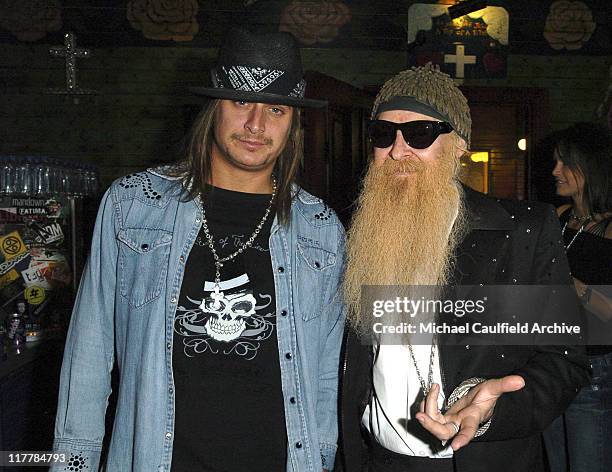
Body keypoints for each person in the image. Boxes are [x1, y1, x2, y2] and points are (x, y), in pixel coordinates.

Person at [51, 29, 346, 472]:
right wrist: (72, 466)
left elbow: (324, 377)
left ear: (293, 122)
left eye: (276, 108)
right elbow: (88, 359)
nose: (256, 125)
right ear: (214, 107)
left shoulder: (321, 228)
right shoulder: (133, 205)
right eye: (241, 101)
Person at [337, 64, 590, 472]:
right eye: (383, 135)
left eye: (419, 134)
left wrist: (491, 409)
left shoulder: (523, 232)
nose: (398, 151)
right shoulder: (355, 235)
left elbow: (564, 362)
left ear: (459, 145)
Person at [544, 122, 612, 472]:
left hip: (594, 367)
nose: (555, 171)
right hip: (552, 361)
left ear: (590, 165)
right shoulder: (559, 217)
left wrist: (576, 287)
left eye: (564, 162)